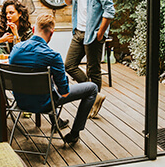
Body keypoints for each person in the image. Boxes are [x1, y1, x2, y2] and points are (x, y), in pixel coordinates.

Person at [9, 13, 98, 144]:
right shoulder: (54, 57)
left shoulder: (16, 49)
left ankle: (58, 122)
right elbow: (65, 93)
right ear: (52, 33)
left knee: (49, 85)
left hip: (21, 102)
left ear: (34, 29)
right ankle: (74, 134)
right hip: (44, 104)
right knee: (92, 88)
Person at [61, 0, 115, 118]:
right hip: (78, 31)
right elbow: (70, 2)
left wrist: (100, 34)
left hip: (93, 34)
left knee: (94, 71)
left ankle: (92, 104)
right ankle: (95, 94)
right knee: (69, 65)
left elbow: (109, 11)